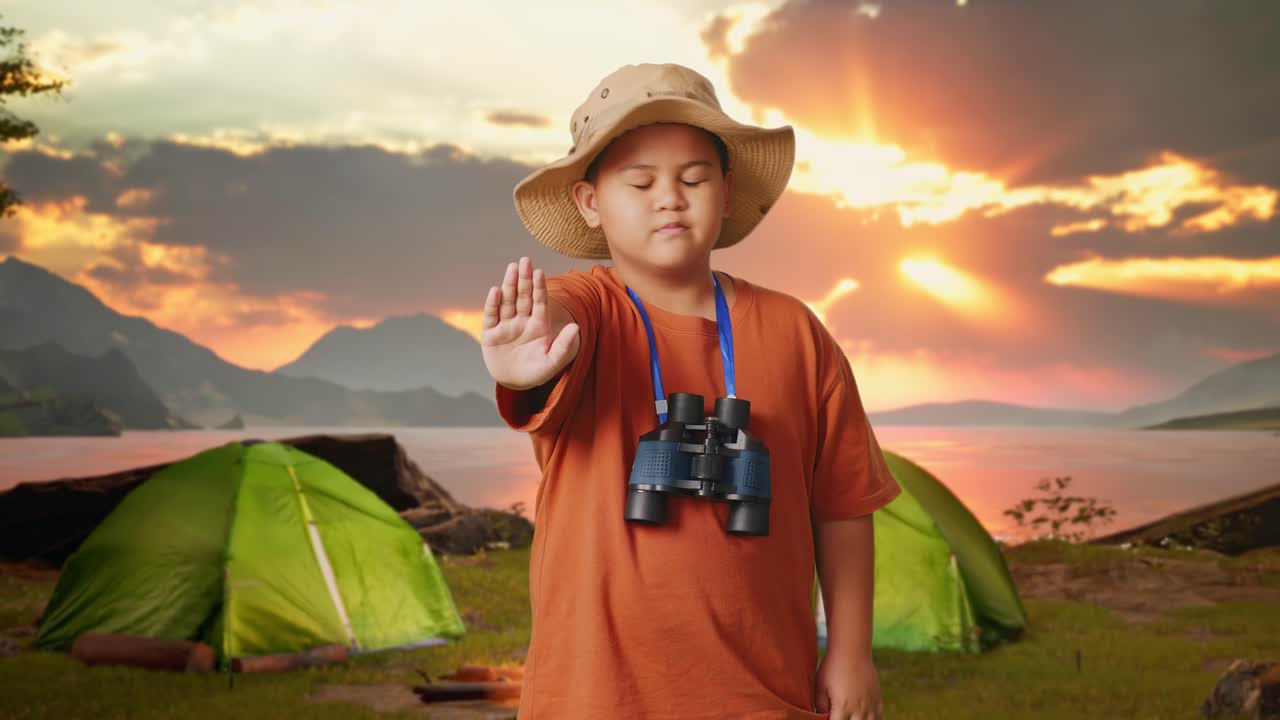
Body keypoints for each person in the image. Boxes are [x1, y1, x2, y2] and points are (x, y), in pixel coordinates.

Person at [479, 63, 901, 720]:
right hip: (596, 697)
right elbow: (556, 325)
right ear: (591, 203)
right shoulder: (586, 306)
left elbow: (843, 506)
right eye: (640, 181)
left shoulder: (794, 331)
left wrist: (850, 652)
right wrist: (525, 360)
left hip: (764, 690)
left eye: (695, 179)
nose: (669, 197)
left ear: (727, 193)